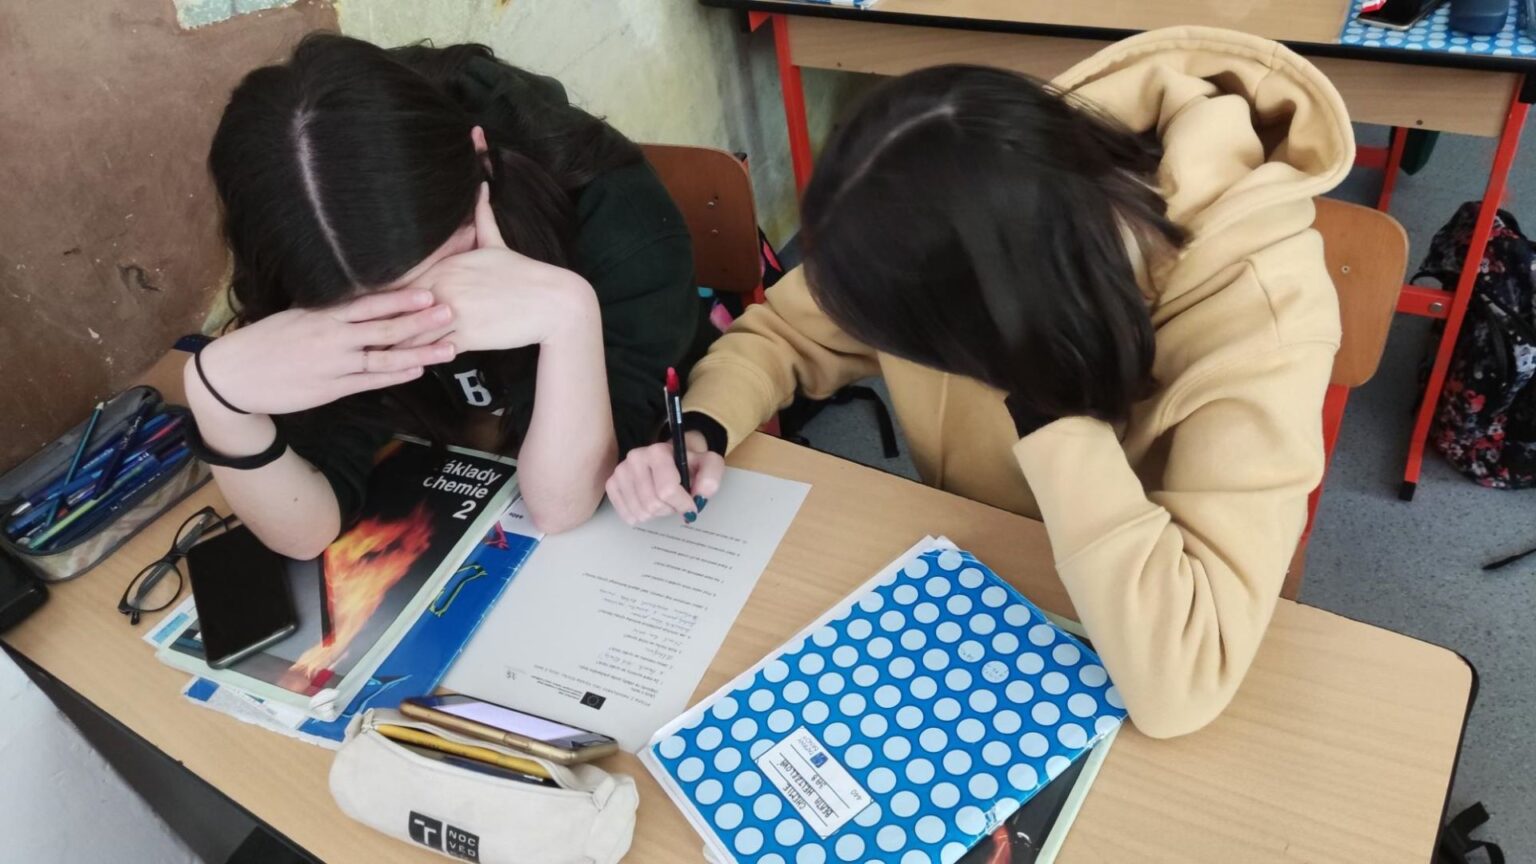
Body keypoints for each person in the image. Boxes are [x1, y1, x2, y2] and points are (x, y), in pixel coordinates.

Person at [607, 27, 1352, 738]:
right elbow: (785, 332)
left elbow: (1184, 681)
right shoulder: (961, 190)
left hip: (1123, 631)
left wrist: (1049, 405)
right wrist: (701, 426)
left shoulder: (1263, 317)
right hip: (971, 571)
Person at [186, 34, 701, 555]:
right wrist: (216, 402)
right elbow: (307, 531)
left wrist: (568, 314)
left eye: (434, 278)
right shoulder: (310, 236)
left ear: (482, 164)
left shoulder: (618, 222)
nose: (407, 322)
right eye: (358, 312)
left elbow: (561, 506)